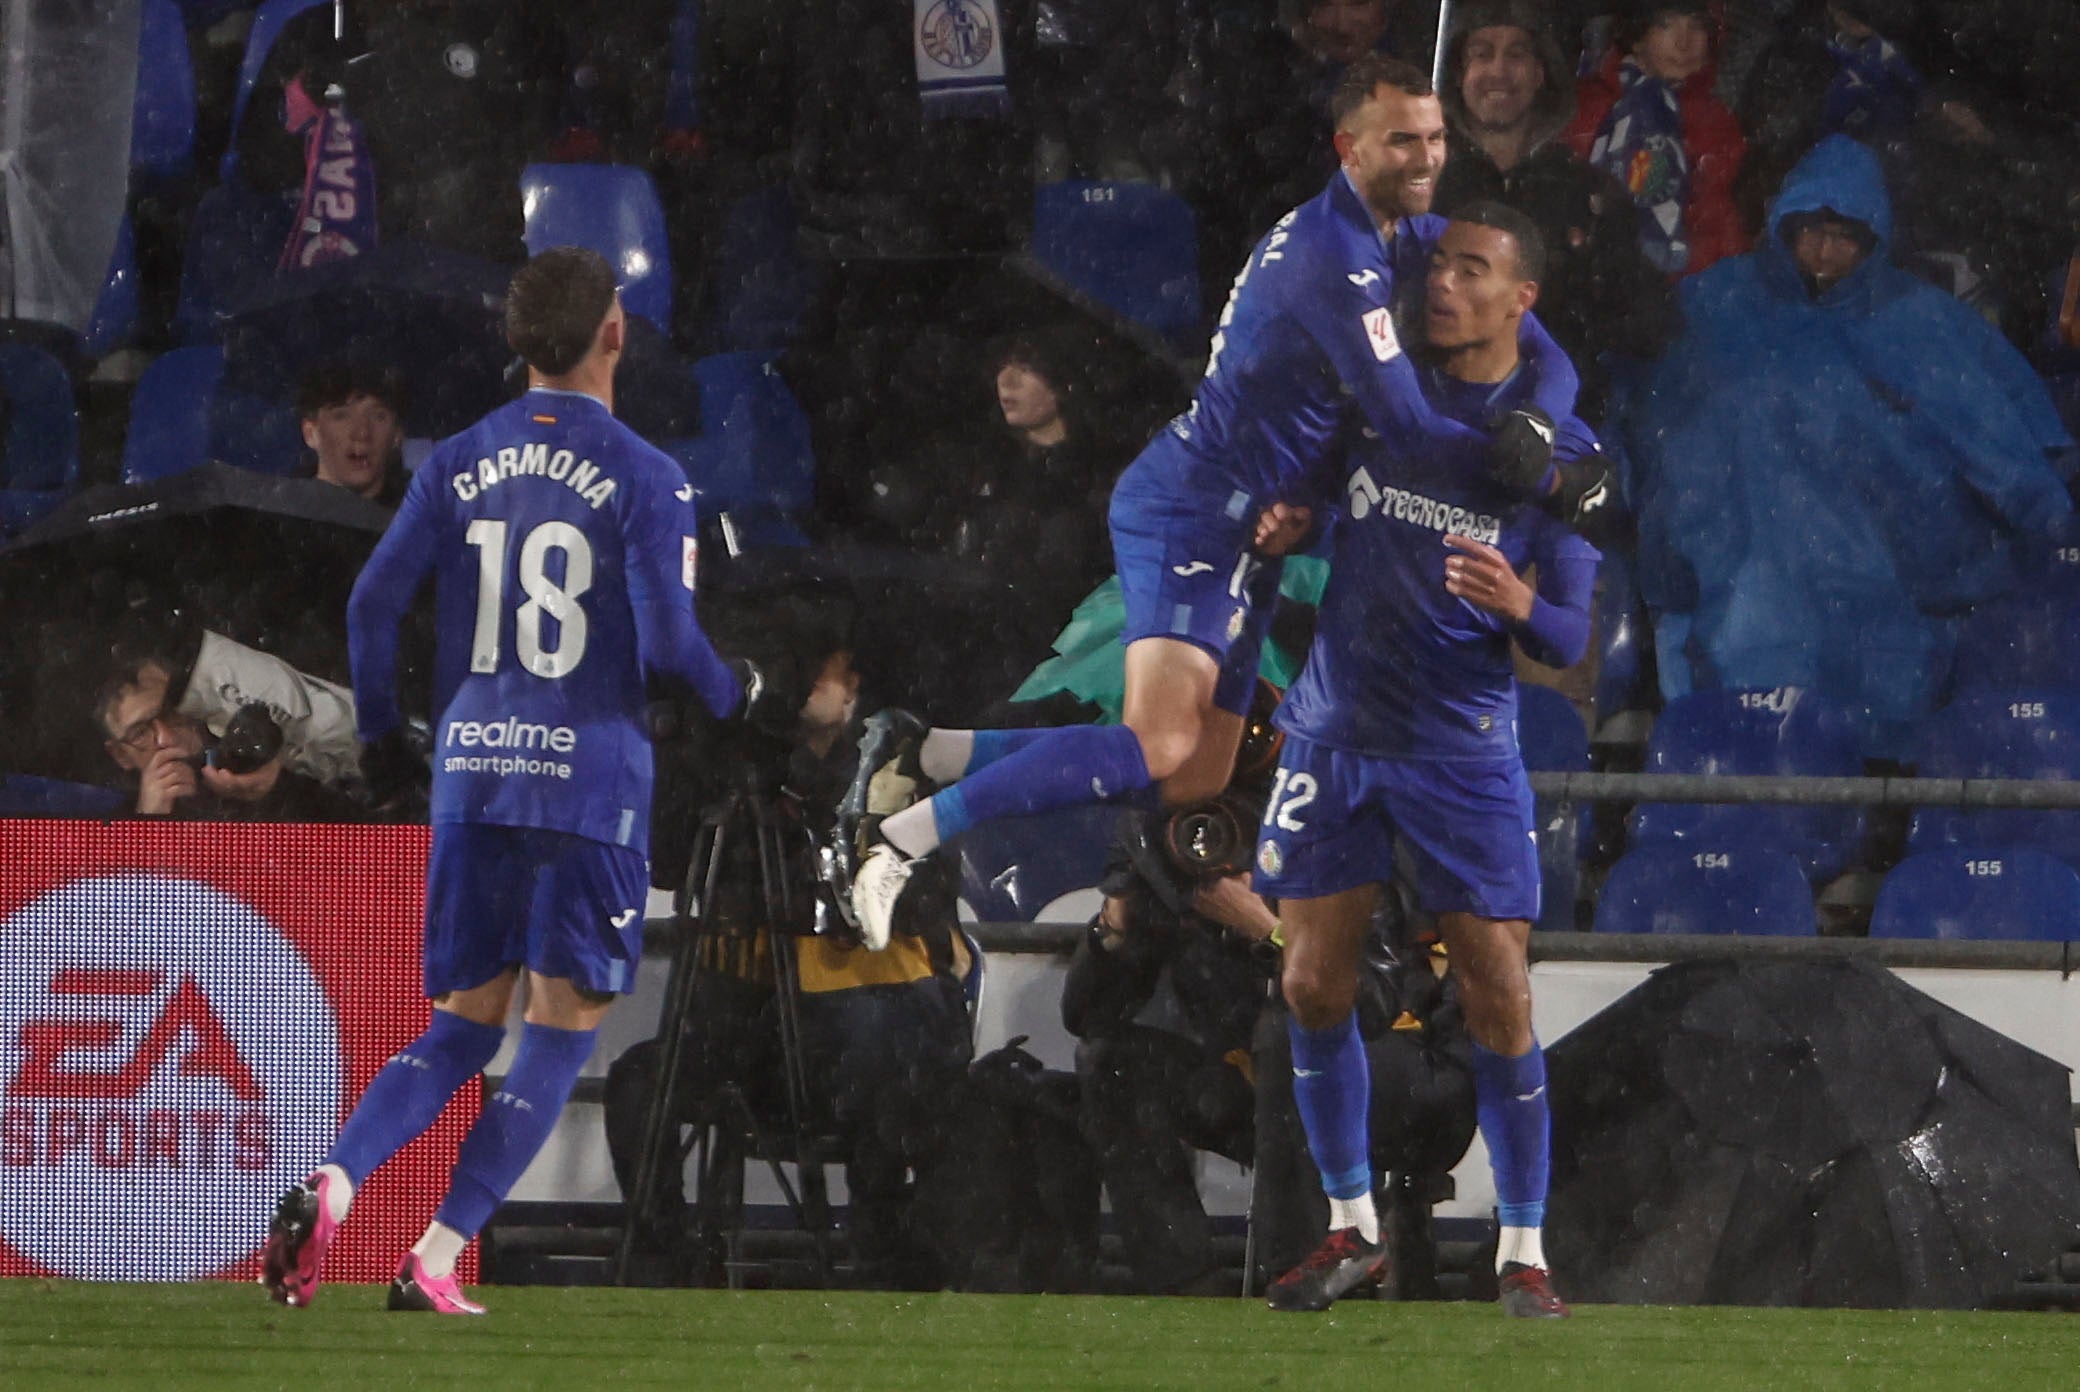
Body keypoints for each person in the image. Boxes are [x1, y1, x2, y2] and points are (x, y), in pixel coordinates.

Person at [843, 56, 1588, 953]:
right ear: (1349, 149)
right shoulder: (1334, 261)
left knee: (1194, 780)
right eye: (1403, 139)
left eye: (1434, 135)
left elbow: (1542, 339)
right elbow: (1408, 430)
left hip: (1256, 523)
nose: (1428, 154)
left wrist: (1546, 424)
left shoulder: (1402, 234)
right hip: (1199, 508)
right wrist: (1547, 478)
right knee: (1157, 744)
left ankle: (923, 751)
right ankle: (899, 839)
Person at [257, 247, 751, 1315]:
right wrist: (738, 692)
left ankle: (332, 1180)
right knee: (560, 1033)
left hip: (473, 772)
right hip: (588, 782)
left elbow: (370, 609)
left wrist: (388, 742)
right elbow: (671, 645)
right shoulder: (649, 475)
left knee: (458, 1027)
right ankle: (435, 1255)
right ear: (613, 334)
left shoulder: (456, 461)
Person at [1252, 205, 1598, 1317]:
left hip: (1457, 752)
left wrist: (1519, 601)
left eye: (1472, 270)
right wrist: (1283, 520)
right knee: (1310, 983)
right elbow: (1302, 497)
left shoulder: (1561, 455)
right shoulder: (1374, 399)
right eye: (1439, 264)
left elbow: (1568, 637)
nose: (1443, 283)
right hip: (1334, 731)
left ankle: (1523, 1249)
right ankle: (1346, 1228)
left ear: (1521, 302)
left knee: (1497, 995)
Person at [1623, 135, 2073, 755]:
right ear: (1785, 224)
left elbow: (1999, 432)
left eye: (1845, 233)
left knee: (1863, 725)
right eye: (1813, 229)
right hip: (1745, 570)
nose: (1826, 248)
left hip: (1879, 581)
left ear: (1873, 238)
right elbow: (1650, 410)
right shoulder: (1716, 305)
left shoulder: (1920, 321)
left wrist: (2044, 515)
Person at [603, 593, 975, 1290]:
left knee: (881, 1057)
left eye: (816, 672)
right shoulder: (742, 763)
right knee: (636, 1082)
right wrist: (695, 769)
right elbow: (670, 863)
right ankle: (669, 1257)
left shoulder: (895, 759)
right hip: (752, 1032)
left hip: (863, 1037)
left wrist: (804, 791)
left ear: (853, 686)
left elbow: (891, 891)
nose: (804, 685)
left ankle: (881, 1255)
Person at [1434, 0, 1676, 414]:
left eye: (1516, 53)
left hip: (1550, 431)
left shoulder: (1587, 194)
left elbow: (1646, 326)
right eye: (1481, 53)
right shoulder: (1421, 186)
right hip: (1430, 426)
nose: (1498, 71)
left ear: (1540, 73)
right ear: (1459, 74)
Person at [1563, 0, 1747, 276]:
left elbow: (1722, 224)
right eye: (1665, 25)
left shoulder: (1719, 123)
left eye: (1696, 26)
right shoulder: (1587, 108)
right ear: (1637, 37)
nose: (1683, 43)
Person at [95, 647, 363, 823]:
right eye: (141, 733)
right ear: (121, 754)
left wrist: (274, 789)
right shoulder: (105, 832)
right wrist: (149, 823)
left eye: (171, 712)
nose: (166, 738)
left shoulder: (281, 763)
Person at [297, 360, 410, 506]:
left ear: (397, 435)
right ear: (310, 433)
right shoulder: (276, 511)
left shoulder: (424, 523)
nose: (362, 433)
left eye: (378, 416)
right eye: (341, 416)